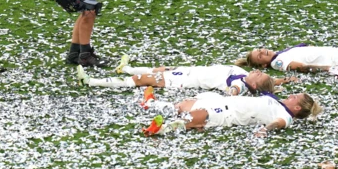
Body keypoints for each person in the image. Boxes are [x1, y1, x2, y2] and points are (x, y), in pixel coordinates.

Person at [142, 91, 323, 137]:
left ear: (297, 108)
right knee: (184, 105)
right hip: (225, 101)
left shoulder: (286, 117)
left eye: (294, 97)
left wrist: (265, 130)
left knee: (200, 115)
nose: (290, 96)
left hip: (230, 113)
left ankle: (161, 129)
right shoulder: (276, 101)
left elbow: (278, 123)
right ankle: (151, 103)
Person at [76, 57, 282, 95]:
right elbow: (269, 84)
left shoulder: (240, 84)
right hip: (191, 71)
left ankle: (91, 82)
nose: (257, 71)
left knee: (141, 81)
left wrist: (232, 93)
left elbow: (233, 93)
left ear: (254, 86)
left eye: (259, 76)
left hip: (183, 81)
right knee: (160, 70)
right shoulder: (244, 73)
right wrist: (281, 82)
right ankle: (126, 69)